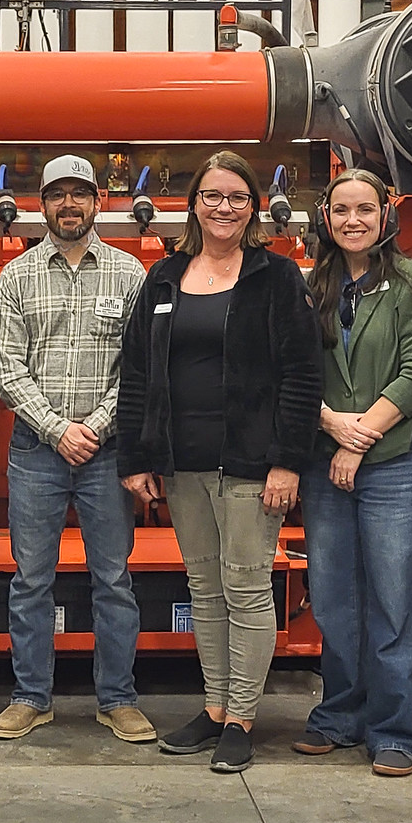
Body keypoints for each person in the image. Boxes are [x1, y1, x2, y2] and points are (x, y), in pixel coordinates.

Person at [118, 151, 322, 774]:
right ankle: (213, 708)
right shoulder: (164, 278)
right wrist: (138, 455)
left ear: (254, 206)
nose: (224, 207)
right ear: (194, 203)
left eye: (237, 197)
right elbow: (137, 372)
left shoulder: (277, 277)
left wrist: (287, 462)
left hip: (251, 464)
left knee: (247, 586)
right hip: (182, 463)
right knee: (204, 590)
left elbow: (301, 374)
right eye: (212, 196)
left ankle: (242, 716)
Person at [0, 154, 155, 743]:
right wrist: (58, 428)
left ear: (98, 203)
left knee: (113, 577)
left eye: (79, 194)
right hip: (37, 450)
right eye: (57, 194)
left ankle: (118, 699)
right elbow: (6, 367)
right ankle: (31, 696)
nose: (68, 205)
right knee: (31, 578)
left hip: (107, 454)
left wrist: (98, 426)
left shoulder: (131, 275)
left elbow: (139, 367)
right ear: (41, 204)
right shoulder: (16, 277)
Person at [293, 170, 412, 776]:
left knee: (395, 600)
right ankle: (339, 715)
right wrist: (332, 426)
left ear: (386, 215)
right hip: (325, 454)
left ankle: (394, 730)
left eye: (365, 209)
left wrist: (359, 439)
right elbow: (296, 370)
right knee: (333, 596)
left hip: (395, 463)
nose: (353, 220)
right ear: (325, 219)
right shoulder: (313, 287)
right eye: (340, 210)